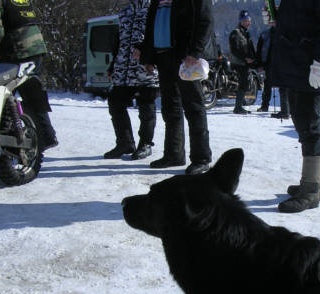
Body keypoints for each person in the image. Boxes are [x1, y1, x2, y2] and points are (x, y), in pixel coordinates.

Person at [269, 0, 320, 213]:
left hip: (312, 61)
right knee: (303, 120)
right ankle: (316, 183)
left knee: (309, 122)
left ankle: (311, 191)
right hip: (298, 59)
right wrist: (278, 16)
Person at [140, 0, 213, 175]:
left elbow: (205, 20)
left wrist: (194, 52)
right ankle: (174, 154)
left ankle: (201, 158)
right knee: (170, 107)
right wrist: (148, 57)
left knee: (193, 107)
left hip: (185, 57)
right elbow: (151, 25)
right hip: (163, 56)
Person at [0, 0, 58, 152]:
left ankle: (7, 143)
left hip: (16, 47)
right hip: (35, 45)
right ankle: (46, 135)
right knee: (32, 91)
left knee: (1, 96)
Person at [103, 0, 159, 160]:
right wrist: (112, 65)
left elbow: (157, 36)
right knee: (115, 102)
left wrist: (150, 57)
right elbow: (119, 40)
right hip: (123, 68)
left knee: (146, 105)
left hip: (145, 66)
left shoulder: (154, 8)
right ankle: (125, 143)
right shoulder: (125, 11)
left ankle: (145, 144)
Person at [255, 23, 289, 119]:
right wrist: (259, 64)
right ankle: (265, 105)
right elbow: (259, 50)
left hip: (281, 63)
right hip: (269, 63)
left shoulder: (284, 33)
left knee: (284, 86)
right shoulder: (265, 35)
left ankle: (286, 109)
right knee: (268, 85)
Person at [229, 10, 256, 115]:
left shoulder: (246, 33)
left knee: (244, 83)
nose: (247, 22)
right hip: (238, 63)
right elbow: (235, 50)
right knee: (243, 83)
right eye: (245, 20)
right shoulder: (236, 33)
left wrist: (254, 60)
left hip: (245, 63)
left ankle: (240, 105)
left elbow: (250, 49)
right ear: (240, 21)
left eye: (248, 20)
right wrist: (245, 58)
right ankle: (238, 107)